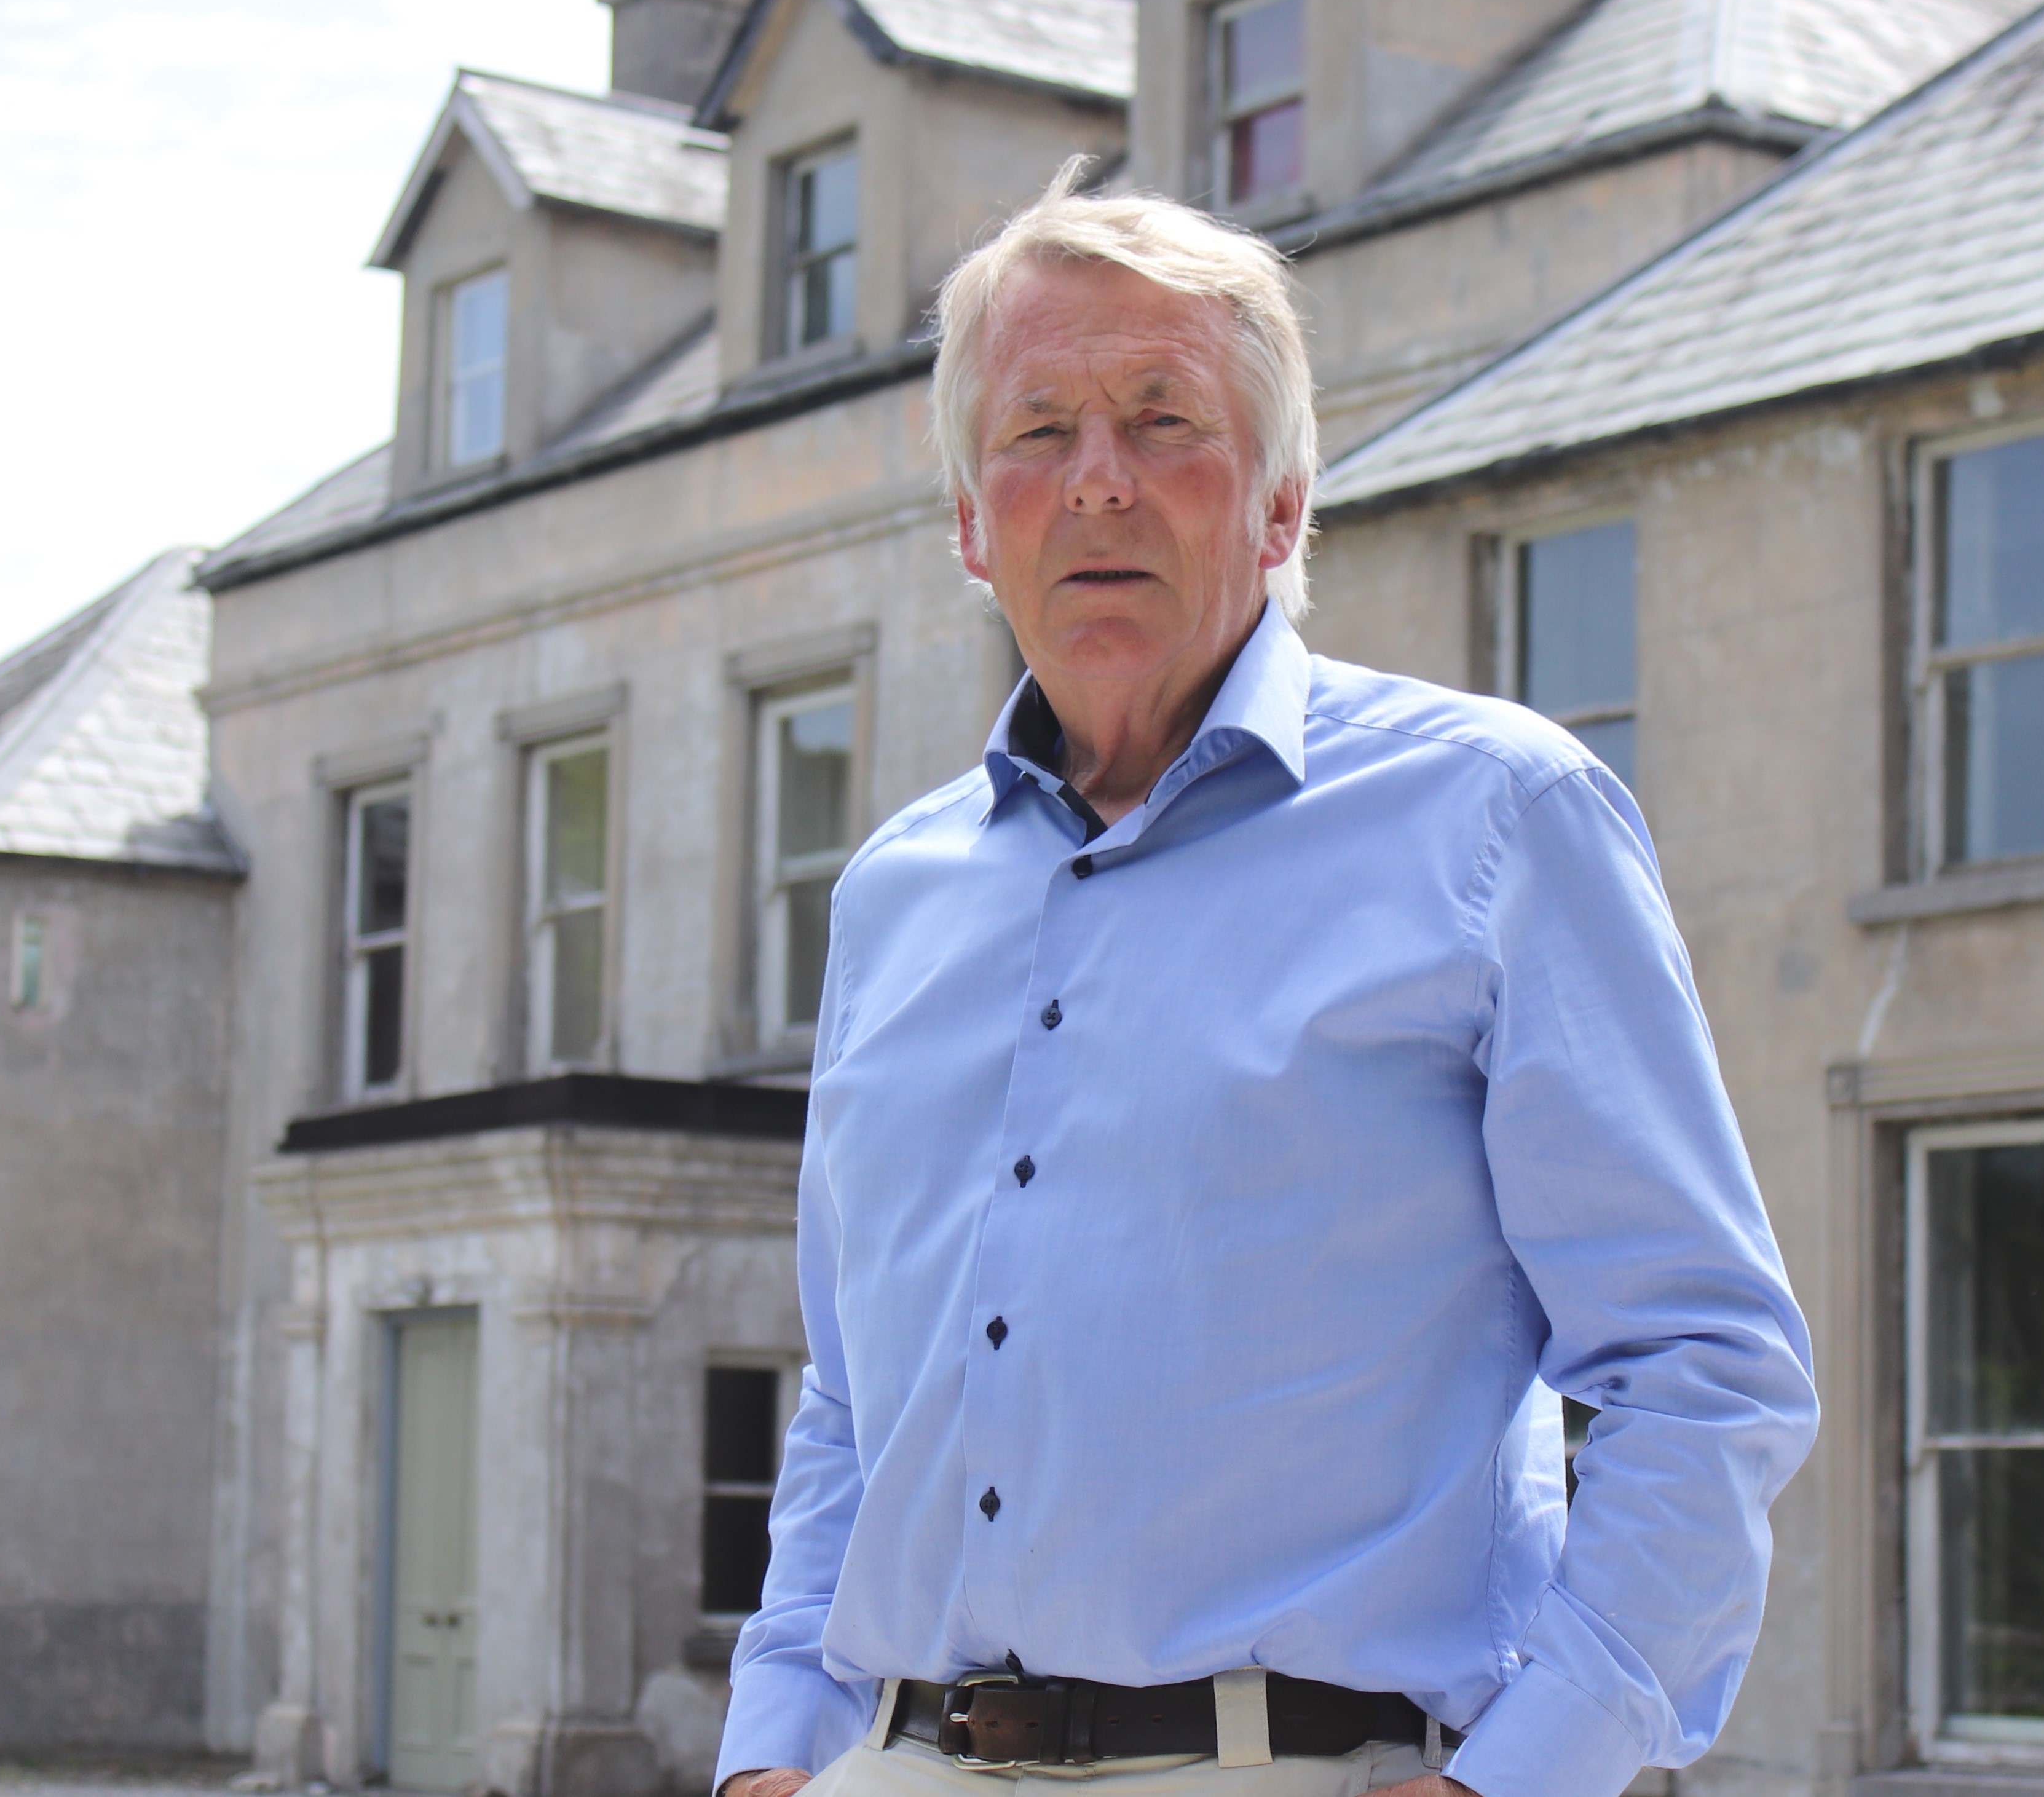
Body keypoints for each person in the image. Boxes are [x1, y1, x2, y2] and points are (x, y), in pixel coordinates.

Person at [715, 164, 1817, 1797]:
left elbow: (1702, 1365)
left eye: (1165, 421)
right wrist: (773, 1750)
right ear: (968, 520)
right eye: (1037, 433)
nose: (1098, 484)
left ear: (1283, 504)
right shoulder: (893, 894)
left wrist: (1529, 1773)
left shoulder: (1499, 816)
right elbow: (853, 1405)